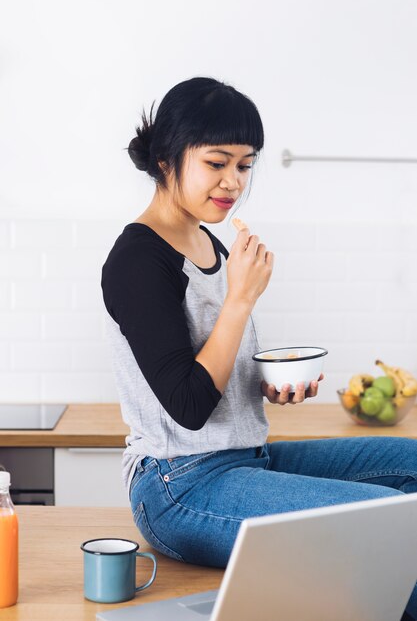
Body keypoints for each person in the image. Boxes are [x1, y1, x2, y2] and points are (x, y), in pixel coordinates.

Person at [101, 77, 417, 620]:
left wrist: (270, 383)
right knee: (387, 520)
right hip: (178, 485)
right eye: (216, 163)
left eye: (245, 166)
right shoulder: (138, 260)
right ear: (165, 159)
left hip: (246, 460)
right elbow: (189, 405)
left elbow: (217, 375)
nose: (233, 182)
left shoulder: (211, 242)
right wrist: (240, 299)